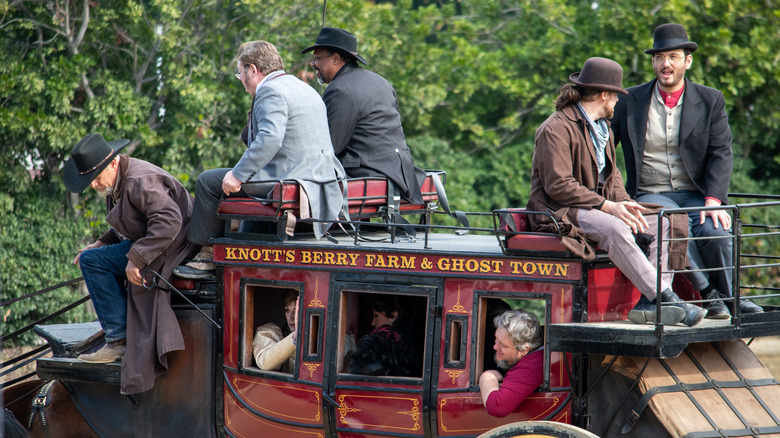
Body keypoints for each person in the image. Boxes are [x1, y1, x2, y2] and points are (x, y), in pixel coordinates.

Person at [525, 57, 706, 327]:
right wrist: (608, 207)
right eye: (617, 96)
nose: (618, 102)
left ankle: (649, 304)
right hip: (559, 211)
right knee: (615, 228)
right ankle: (666, 299)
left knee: (663, 222)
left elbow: (613, 177)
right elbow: (558, 186)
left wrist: (626, 204)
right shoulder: (555, 129)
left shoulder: (604, 130)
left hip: (595, 207)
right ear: (604, 95)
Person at [611, 23, 763, 319]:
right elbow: (605, 147)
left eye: (673, 57)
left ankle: (731, 297)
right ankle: (711, 296)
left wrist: (713, 200)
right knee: (675, 225)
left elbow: (721, 151)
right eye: (659, 58)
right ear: (653, 62)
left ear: (687, 61)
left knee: (715, 229)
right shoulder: (630, 101)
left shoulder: (710, 100)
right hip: (650, 193)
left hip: (695, 192)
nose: (665, 64)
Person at [186, 40, 346, 266]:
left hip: (294, 179)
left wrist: (237, 175)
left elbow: (270, 138)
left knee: (208, 181)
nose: (240, 79)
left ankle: (206, 255)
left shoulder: (270, 90)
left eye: (239, 72)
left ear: (253, 70)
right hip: (322, 178)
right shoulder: (300, 86)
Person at [64, 133, 199, 394]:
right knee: (93, 255)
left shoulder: (139, 181)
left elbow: (169, 222)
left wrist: (136, 259)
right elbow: (129, 223)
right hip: (155, 239)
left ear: (112, 163)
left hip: (174, 245)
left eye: (94, 177)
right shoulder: (115, 182)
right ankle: (118, 331)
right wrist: (100, 243)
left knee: (92, 263)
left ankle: (117, 339)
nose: (93, 184)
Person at [301, 27, 426, 204]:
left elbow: (330, 147)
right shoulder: (381, 81)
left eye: (317, 58)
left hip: (370, 172)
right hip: (401, 171)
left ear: (336, 59)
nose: (313, 64)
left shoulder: (339, 90)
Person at [478, 309, 544, 418]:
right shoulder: (532, 353)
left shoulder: (533, 365)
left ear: (524, 350)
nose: (495, 347)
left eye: (503, 345)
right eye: (496, 339)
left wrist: (487, 376)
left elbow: (497, 406)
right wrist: (500, 372)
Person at [349, 295, 416, 377]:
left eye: (376, 315)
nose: (373, 323)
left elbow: (366, 370)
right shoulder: (408, 341)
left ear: (393, 316)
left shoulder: (385, 334)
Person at [253, 290, 298, 373]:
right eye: (287, 310)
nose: (290, 317)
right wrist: (295, 336)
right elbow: (265, 363)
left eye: (296, 311)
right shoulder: (270, 332)